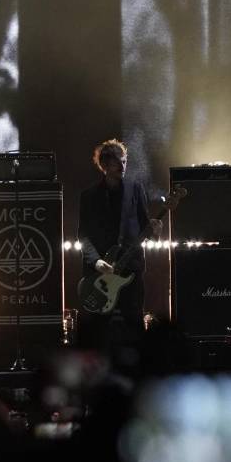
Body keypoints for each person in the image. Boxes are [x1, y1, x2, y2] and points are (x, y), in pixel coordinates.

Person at [75, 139, 160, 353]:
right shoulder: (89, 197)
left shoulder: (135, 189)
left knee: (134, 323)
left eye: (124, 161)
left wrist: (155, 231)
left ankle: (139, 369)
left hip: (130, 269)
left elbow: (144, 227)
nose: (122, 166)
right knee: (98, 331)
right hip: (101, 275)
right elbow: (83, 236)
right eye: (116, 163)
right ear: (104, 166)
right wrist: (97, 262)